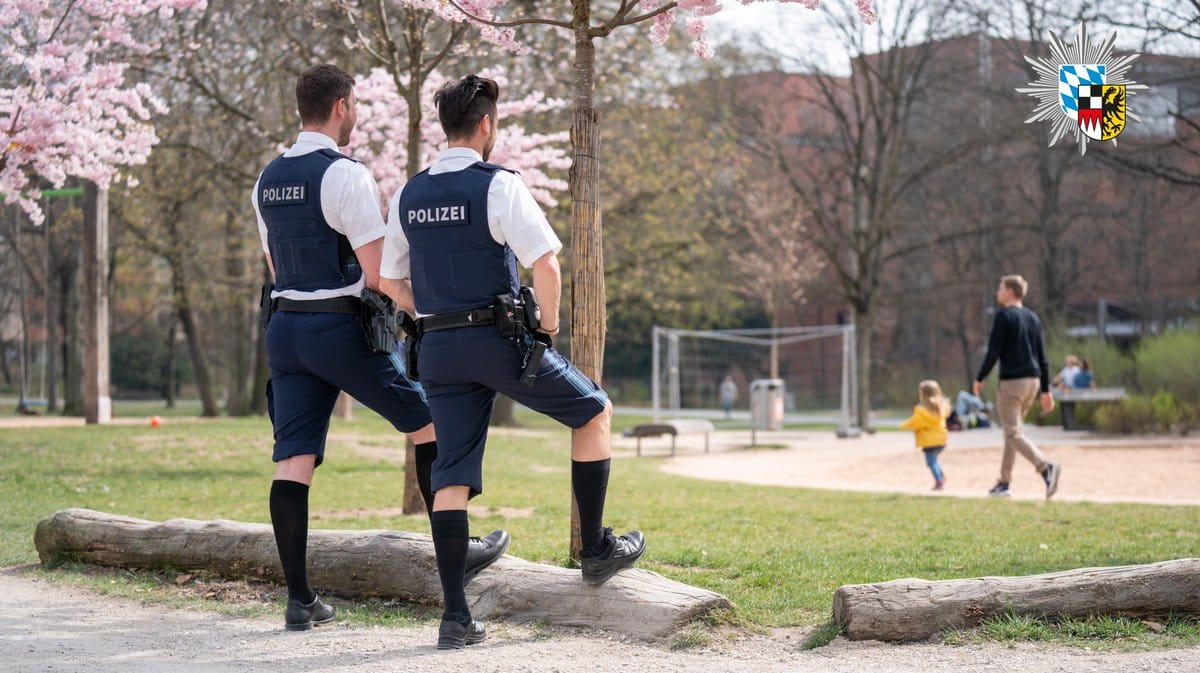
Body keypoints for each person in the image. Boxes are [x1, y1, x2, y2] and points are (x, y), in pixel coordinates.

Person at [379, 74, 646, 650]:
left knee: (449, 472)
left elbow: (386, 279)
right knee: (594, 412)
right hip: (500, 343)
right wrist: (546, 325)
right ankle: (596, 549)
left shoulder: (408, 193)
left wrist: (432, 311)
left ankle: (455, 618)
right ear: (485, 126)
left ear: (443, 126)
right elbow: (545, 264)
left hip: (438, 350)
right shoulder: (498, 185)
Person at [252, 64, 508, 632]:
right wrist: (430, 313)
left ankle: (300, 601)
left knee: (293, 460)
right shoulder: (345, 176)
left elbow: (275, 265)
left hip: (285, 329)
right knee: (431, 424)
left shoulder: (266, 179)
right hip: (339, 329)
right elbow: (375, 273)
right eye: (356, 106)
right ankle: (457, 549)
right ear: (342, 106)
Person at [973, 274, 1062, 499]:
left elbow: (993, 351)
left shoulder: (1004, 317)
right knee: (1013, 433)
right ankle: (1004, 482)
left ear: (1011, 291)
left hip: (1012, 383)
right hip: (1032, 382)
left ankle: (1045, 467)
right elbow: (1042, 357)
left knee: (1012, 432)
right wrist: (1045, 390)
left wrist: (980, 377)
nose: (997, 292)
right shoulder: (1033, 318)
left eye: (1000, 288)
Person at [899, 380, 950, 490]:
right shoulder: (940, 407)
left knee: (930, 462)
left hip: (929, 441)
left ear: (923, 394)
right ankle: (941, 476)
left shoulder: (921, 411)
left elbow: (915, 422)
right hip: (941, 440)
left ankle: (939, 481)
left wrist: (903, 426)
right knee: (933, 461)